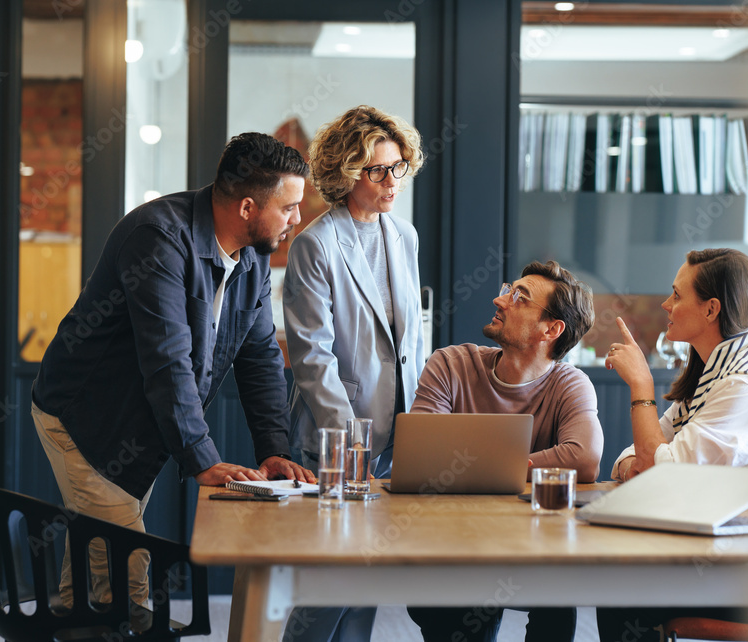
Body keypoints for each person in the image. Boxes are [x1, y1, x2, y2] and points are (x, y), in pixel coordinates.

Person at [30, 132, 317, 626]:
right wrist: (203, 460)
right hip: (84, 418)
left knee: (93, 570)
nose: (297, 219)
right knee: (125, 572)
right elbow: (168, 362)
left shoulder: (250, 258)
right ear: (248, 206)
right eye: (289, 207)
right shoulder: (158, 238)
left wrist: (275, 450)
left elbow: (261, 359)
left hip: (140, 423)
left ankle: (74, 624)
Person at [595, 248, 748, 642]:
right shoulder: (716, 372)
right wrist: (638, 465)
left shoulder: (742, 386)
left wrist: (641, 385)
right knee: (618, 580)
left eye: (676, 295)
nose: (665, 304)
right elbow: (641, 454)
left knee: (619, 587)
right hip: (734, 549)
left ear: (711, 310)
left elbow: (664, 472)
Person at [281, 105, 426, 642]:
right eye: (378, 171)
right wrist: (352, 448)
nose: (392, 182)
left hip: (398, 434)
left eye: (398, 168)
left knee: (366, 582)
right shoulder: (315, 245)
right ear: (347, 172)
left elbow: (412, 338)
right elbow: (312, 357)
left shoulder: (404, 236)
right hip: (337, 441)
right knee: (331, 582)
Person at [406, 260, 603, 642]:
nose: (500, 300)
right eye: (508, 289)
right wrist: (519, 465)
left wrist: (473, 463)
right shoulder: (450, 364)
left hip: (534, 549)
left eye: (519, 298)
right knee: (459, 608)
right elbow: (421, 453)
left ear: (551, 329)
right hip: (453, 545)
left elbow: (583, 458)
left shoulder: (571, 384)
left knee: (559, 591)